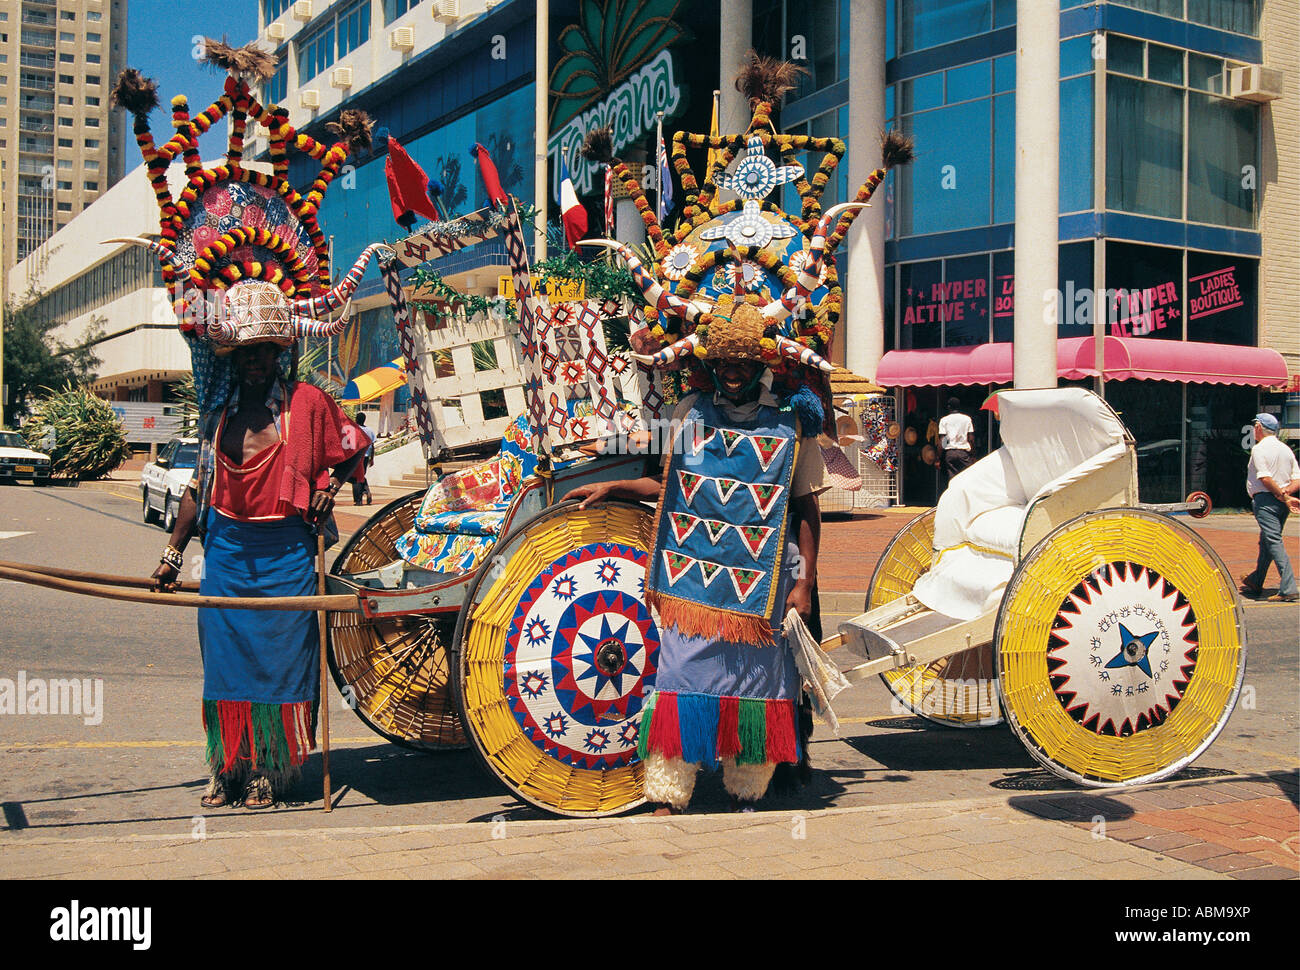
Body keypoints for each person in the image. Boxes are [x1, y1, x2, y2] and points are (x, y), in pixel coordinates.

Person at [568, 300, 826, 813]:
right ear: (709, 365)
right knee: (682, 677)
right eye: (723, 364)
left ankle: (746, 787)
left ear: (761, 367)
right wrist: (616, 486)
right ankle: (669, 792)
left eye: (743, 364)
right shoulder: (688, 413)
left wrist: (805, 585)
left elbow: (806, 508)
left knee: (756, 683)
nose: (732, 374)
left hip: (765, 587)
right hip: (692, 587)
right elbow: (665, 484)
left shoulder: (791, 427)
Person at [152, 324, 367, 809]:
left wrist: (330, 486)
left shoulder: (306, 403)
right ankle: (227, 768)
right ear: (232, 359)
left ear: (277, 355)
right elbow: (196, 490)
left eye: (263, 351)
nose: (254, 361)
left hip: (287, 555)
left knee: (279, 666)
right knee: (225, 666)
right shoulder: (217, 414)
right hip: (226, 554)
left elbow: (357, 442)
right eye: (245, 353)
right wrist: (172, 555)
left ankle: (271, 770)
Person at [1238, 413, 1300, 603]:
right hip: (1281, 501)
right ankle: (1257, 580)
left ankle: (1289, 587)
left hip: (1266, 502)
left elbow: (1264, 478)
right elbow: (1296, 478)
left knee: (1273, 540)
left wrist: (1281, 496)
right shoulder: (1285, 450)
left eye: (1254, 426)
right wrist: (1286, 495)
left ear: (1258, 427)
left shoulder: (1259, 449)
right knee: (1266, 541)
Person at [938, 396, 975, 484]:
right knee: (966, 478)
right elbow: (971, 439)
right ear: (959, 407)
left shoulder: (944, 420)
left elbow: (943, 440)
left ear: (949, 407)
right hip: (964, 453)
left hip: (950, 453)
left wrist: (939, 457)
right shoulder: (967, 419)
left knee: (952, 480)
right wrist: (973, 454)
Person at [352, 411, 377, 505]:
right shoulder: (370, 430)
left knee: (356, 477)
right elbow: (372, 445)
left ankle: (358, 500)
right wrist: (372, 458)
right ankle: (366, 491)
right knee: (361, 475)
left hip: (357, 456)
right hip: (366, 457)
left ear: (356, 419)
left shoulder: (355, 429)